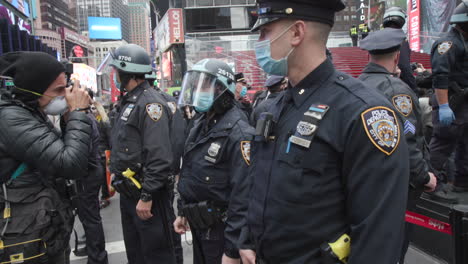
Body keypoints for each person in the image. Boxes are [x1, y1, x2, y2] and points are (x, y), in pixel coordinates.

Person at [239, 1, 410, 263]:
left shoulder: (361, 112)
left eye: (265, 32)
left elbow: (377, 237)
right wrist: (247, 239)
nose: (259, 43)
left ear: (296, 33)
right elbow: (262, 184)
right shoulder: (275, 107)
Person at [0, 51, 91, 263]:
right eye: (58, 90)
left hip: (40, 230)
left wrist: (70, 118)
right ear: (34, 90)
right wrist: (77, 112)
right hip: (26, 236)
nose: (64, 95)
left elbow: (59, 151)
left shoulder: (29, 112)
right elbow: (70, 164)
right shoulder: (11, 118)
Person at [358, 28, 438, 263]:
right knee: (394, 244)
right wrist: (424, 177)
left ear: (369, 56)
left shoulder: (355, 85)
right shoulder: (396, 91)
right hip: (394, 184)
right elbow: (407, 139)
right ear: (396, 57)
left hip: (363, 181)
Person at [173, 59, 255, 264]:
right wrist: (183, 210)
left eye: (204, 84)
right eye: (195, 84)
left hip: (222, 233)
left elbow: (243, 197)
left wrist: (232, 250)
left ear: (221, 88)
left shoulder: (239, 133)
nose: (197, 89)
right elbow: (190, 170)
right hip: (200, 227)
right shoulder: (201, 123)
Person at [106, 44, 177, 264]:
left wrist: (146, 196)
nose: (115, 75)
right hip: (129, 193)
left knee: (156, 255)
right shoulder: (130, 102)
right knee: (136, 254)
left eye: (117, 70)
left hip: (147, 196)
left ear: (127, 71)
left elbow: (159, 155)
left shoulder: (150, 104)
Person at [425, 1, 468, 200]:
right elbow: (440, 78)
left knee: (465, 147)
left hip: (464, 106)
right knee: (441, 147)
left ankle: (461, 183)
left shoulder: (464, 40)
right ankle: (427, 186)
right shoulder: (448, 44)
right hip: (451, 103)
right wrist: (443, 106)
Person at [146, 71, 185, 264]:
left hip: (162, 175)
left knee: (169, 227)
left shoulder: (164, 101)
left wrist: (172, 171)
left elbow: (177, 139)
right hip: (145, 178)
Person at [74, 89, 109, 264]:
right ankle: (94, 250)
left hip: (89, 173)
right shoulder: (88, 117)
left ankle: (97, 256)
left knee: (91, 217)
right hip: (91, 171)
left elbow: (81, 152)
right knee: (89, 216)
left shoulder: (84, 119)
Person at [383, 6, 417, 92]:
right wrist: (414, 90)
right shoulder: (400, 38)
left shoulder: (380, 37)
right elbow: (404, 67)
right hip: (397, 87)